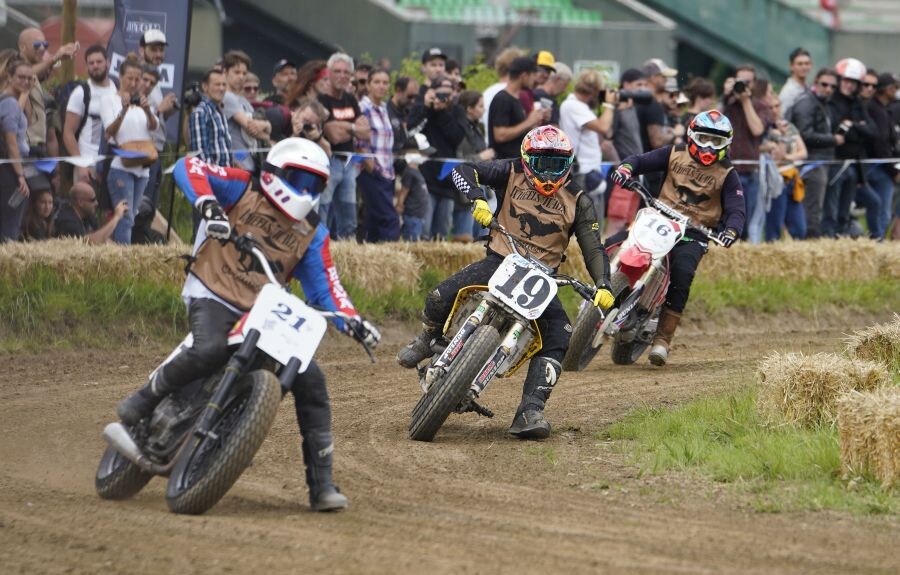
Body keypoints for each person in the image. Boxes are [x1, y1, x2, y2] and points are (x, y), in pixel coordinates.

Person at [115, 138, 381, 511]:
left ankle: (321, 485)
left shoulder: (313, 232)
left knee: (312, 379)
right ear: (274, 171)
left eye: (313, 185)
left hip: (263, 311)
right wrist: (208, 205)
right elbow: (188, 168)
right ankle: (143, 400)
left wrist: (352, 320)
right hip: (213, 291)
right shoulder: (243, 186)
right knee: (208, 348)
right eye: (297, 179)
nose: (304, 191)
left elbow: (327, 288)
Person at [397, 125, 615, 440]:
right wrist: (476, 200)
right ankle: (427, 338)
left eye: (557, 164)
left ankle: (530, 410)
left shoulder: (579, 199)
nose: (549, 171)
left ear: (568, 164)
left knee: (560, 335)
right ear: (527, 159)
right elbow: (463, 169)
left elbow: (593, 246)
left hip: (542, 278)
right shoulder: (510, 170)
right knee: (439, 295)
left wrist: (604, 284)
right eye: (542, 162)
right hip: (500, 259)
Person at [610, 110, 746, 366]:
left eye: (716, 142)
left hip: (694, 233)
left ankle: (663, 339)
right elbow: (639, 161)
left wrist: (731, 231)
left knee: (682, 275)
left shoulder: (728, 174)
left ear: (726, 145)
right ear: (692, 135)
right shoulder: (673, 152)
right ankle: (601, 296)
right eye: (704, 138)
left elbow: (737, 208)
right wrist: (626, 169)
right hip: (658, 218)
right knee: (614, 243)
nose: (708, 146)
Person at [100, 56, 158, 244]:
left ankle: (123, 255)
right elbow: (109, 131)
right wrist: (123, 110)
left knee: (132, 216)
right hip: (121, 168)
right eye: (129, 78)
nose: (133, 83)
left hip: (143, 168)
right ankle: (122, 259)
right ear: (121, 77)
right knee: (124, 217)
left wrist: (148, 110)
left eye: (137, 79)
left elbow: (153, 127)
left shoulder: (143, 102)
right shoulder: (109, 99)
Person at [318, 52, 371, 239]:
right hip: (328, 161)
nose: (342, 76)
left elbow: (366, 132)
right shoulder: (321, 100)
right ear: (329, 73)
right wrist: (353, 127)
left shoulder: (350, 100)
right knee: (322, 212)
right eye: (337, 71)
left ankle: (347, 254)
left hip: (348, 163)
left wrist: (344, 127)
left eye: (346, 72)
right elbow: (332, 135)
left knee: (349, 217)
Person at [406, 74, 465, 240]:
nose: (444, 98)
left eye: (448, 93)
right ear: (432, 92)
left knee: (441, 234)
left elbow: (457, 137)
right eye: (440, 94)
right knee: (423, 232)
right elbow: (411, 131)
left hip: (447, 180)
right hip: (426, 177)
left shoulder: (457, 111)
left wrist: (442, 113)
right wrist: (428, 108)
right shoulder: (422, 108)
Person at [823, 57, 874, 238]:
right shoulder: (831, 102)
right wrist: (856, 128)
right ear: (839, 79)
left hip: (853, 166)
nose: (849, 85)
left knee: (845, 211)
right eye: (846, 80)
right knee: (831, 208)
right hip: (835, 163)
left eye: (853, 82)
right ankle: (828, 238)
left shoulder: (858, 103)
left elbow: (871, 131)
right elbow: (837, 132)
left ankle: (841, 236)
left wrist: (853, 126)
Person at [722, 64, 771, 243]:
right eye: (739, 81)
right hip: (729, 170)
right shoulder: (727, 104)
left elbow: (757, 130)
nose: (743, 85)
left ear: (754, 83)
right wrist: (726, 94)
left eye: (747, 82)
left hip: (751, 171)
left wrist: (745, 101)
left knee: (748, 219)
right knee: (728, 219)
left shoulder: (761, 106)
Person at [789, 68, 841, 239]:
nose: (828, 89)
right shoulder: (807, 103)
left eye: (833, 87)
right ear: (816, 82)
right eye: (824, 84)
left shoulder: (822, 103)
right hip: (811, 163)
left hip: (821, 162)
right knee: (811, 210)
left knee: (817, 209)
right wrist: (832, 139)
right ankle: (809, 244)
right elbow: (804, 134)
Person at [63, 45, 117, 183]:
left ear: (108, 63)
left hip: (114, 164)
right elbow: (68, 133)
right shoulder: (81, 92)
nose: (95, 66)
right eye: (91, 63)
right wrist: (80, 164)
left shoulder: (118, 89)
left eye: (99, 62)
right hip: (87, 164)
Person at [358, 68, 399, 242]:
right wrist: (372, 168)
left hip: (387, 172)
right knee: (390, 219)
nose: (381, 86)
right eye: (376, 82)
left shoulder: (384, 108)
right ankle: (393, 259)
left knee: (375, 221)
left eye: (385, 82)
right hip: (372, 172)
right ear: (368, 85)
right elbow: (360, 142)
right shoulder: (363, 108)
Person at [763, 97, 808, 241]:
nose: (775, 110)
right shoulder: (766, 129)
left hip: (792, 178)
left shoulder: (789, 125)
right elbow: (778, 157)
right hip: (776, 181)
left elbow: (803, 153)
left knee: (800, 228)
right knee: (774, 228)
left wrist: (788, 157)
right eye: (771, 107)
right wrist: (782, 137)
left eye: (777, 106)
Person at [488, 56, 548, 160]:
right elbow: (500, 135)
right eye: (533, 75)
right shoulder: (502, 99)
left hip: (516, 163)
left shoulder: (517, 98)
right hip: (504, 166)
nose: (534, 79)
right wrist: (529, 122)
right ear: (524, 75)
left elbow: (518, 130)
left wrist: (537, 120)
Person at [222, 51, 270, 173]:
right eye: (236, 72)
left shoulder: (243, 100)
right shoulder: (226, 97)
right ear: (225, 72)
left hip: (250, 164)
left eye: (244, 73)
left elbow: (258, 128)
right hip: (236, 167)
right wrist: (266, 127)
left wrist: (265, 126)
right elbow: (251, 127)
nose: (241, 77)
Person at [862, 72, 897, 240]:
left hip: (882, 167)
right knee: (882, 212)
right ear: (885, 89)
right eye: (893, 87)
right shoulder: (875, 109)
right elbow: (880, 144)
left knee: (882, 210)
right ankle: (878, 241)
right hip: (878, 168)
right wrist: (893, 171)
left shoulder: (883, 110)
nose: (896, 90)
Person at [1, 58, 32, 242]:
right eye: (21, 77)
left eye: (30, 78)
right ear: (10, 77)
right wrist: (20, 175)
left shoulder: (7, 101)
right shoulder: (10, 103)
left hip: (7, 168)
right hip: (10, 171)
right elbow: (11, 142)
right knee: (10, 225)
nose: (26, 82)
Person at [456, 90, 495, 240]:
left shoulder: (477, 128)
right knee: (466, 234)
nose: (483, 110)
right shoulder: (461, 130)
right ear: (469, 108)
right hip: (467, 188)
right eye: (480, 106)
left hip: (481, 184)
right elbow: (459, 159)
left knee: (482, 232)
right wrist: (481, 157)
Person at [54, 181, 128, 244]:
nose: (97, 203)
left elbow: (103, 238)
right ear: (80, 202)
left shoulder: (87, 214)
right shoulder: (67, 221)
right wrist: (116, 217)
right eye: (93, 200)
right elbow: (90, 242)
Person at [188, 67, 233, 167]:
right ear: (205, 87)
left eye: (224, 84)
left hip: (225, 176)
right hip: (212, 178)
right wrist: (215, 175)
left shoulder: (219, 111)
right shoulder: (200, 113)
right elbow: (200, 154)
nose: (221, 88)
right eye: (217, 84)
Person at [397, 133, 435, 242]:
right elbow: (404, 190)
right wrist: (399, 204)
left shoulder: (417, 171)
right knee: (410, 241)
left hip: (418, 216)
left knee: (416, 240)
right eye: (423, 154)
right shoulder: (409, 172)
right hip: (412, 216)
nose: (426, 157)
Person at [779, 48, 812, 115]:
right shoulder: (788, 92)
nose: (804, 67)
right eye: (800, 64)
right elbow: (782, 116)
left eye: (807, 63)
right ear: (791, 66)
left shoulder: (808, 88)